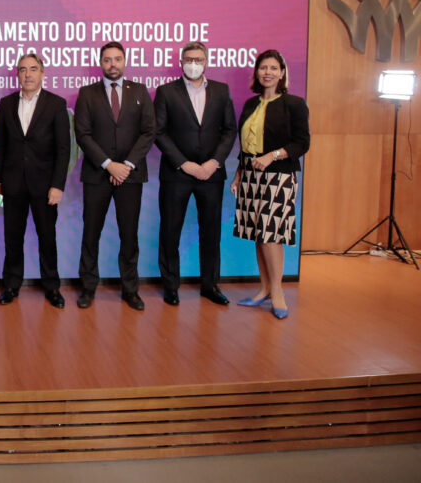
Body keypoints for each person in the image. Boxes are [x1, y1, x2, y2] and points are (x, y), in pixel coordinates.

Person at [73, 41, 156, 311]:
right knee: (91, 233)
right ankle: (88, 288)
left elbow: (148, 132)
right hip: (97, 175)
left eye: (117, 59)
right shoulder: (87, 93)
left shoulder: (140, 91)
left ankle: (130, 289)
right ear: (101, 63)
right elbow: (83, 135)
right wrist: (109, 165)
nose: (112, 64)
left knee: (128, 235)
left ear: (125, 61)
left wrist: (127, 165)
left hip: (130, 176)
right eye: (107, 60)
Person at [154, 41, 237, 306]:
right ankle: (171, 286)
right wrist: (183, 163)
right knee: (170, 231)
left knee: (210, 232)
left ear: (206, 62)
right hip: (177, 174)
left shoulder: (222, 91)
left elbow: (229, 130)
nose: (193, 63)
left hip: (211, 174)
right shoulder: (166, 92)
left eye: (199, 59)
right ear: (181, 61)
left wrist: (214, 162)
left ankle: (210, 285)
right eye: (189, 58)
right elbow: (159, 131)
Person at [230, 49, 310, 320]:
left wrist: (272, 156)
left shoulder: (294, 104)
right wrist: (239, 174)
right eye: (263, 67)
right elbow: (245, 144)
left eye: (273, 68)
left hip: (279, 176)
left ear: (282, 73)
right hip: (251, 176)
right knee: (257, 233)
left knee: (270, 235)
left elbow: (302, 143)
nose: (268, 72)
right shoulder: (251, 104)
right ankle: (264, 288)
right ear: (256, 72)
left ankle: (278, 291)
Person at [0, 53, 70, 309]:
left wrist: (57, 185)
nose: (28, 74)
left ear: (42, 73)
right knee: (12, 238)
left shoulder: (56, 104)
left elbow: (63, 149)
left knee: (47, 238)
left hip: (45, 186)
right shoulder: (5, 104)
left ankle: (52, 287)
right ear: (18, 74)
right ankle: (11, 285)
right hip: (13, 184)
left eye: (33, 69)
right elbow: (0, 144)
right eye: (23, 70)